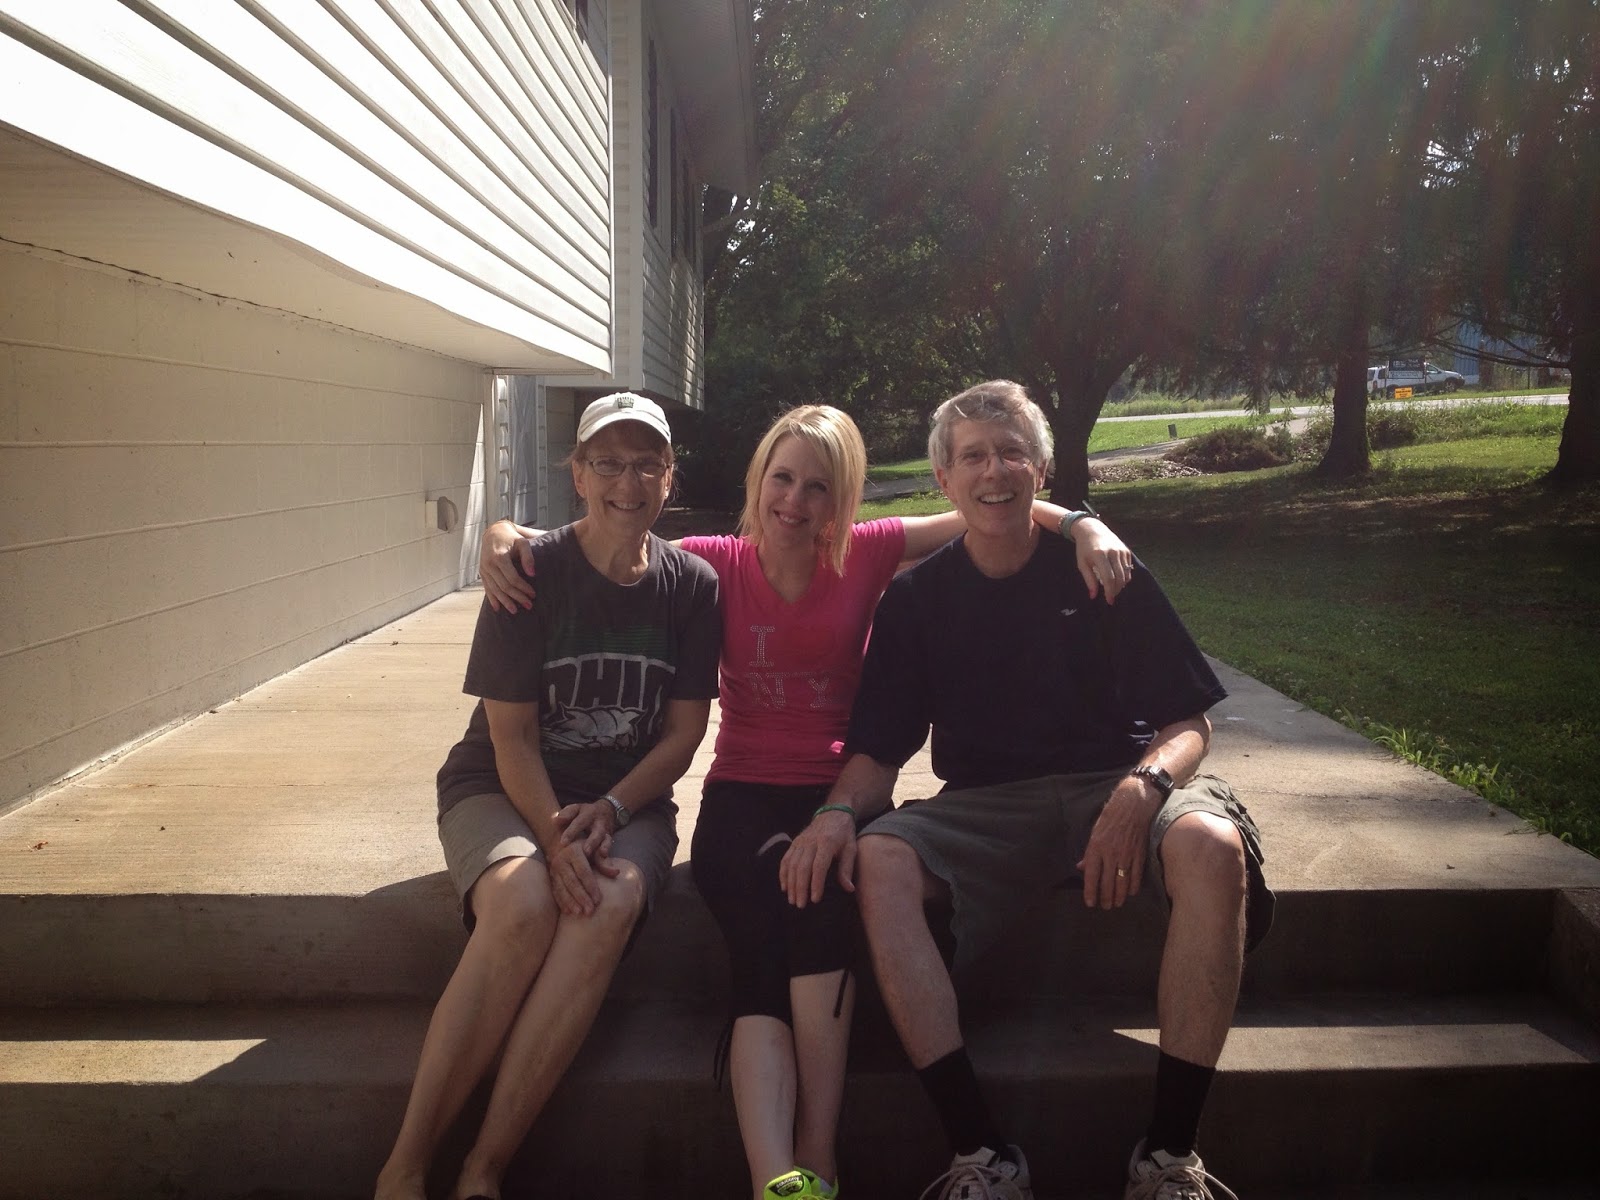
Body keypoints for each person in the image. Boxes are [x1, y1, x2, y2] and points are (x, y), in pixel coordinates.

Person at [477, 404, 1137, 1200]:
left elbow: (990, 503)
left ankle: (820, 1157)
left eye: (817, 487)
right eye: (782, 479)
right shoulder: (711, 562)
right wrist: (501, 534)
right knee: (762, 942)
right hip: (742, 796)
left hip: (839, 795)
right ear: (758, 481)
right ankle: (775, 1181)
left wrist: (1086, 524)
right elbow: (585, 539)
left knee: (821, 912)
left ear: (842, 497)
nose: (794, 501)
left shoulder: (867, 551)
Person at [780, 381, 1274, 1200]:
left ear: (1040, 471)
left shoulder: (1103, 570)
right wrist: (834, 813)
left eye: (1012, 453)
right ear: (945, 479)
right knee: (880, 859)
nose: (994, 471)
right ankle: (980, 1155)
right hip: (986, 806)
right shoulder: (916, 600)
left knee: (1213, 843)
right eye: (973, 456)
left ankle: (1169, 1158)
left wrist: (1142, 788)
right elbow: (878, 753)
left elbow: (1188, 723)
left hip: (1115, 778)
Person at [375, 393, 721, 1200]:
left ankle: (484, 1168)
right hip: (501, 785)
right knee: (524, 899)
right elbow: (513, 738)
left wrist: (614, 810)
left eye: (646, 464)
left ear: (670, 477)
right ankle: (405, 1167)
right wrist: (556, 841)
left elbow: (682, 736)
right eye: (608, 463)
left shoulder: (692, 586)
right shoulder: (528, 573)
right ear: (578, 475)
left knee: (607, 904)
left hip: (627, 799)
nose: (627, 482)